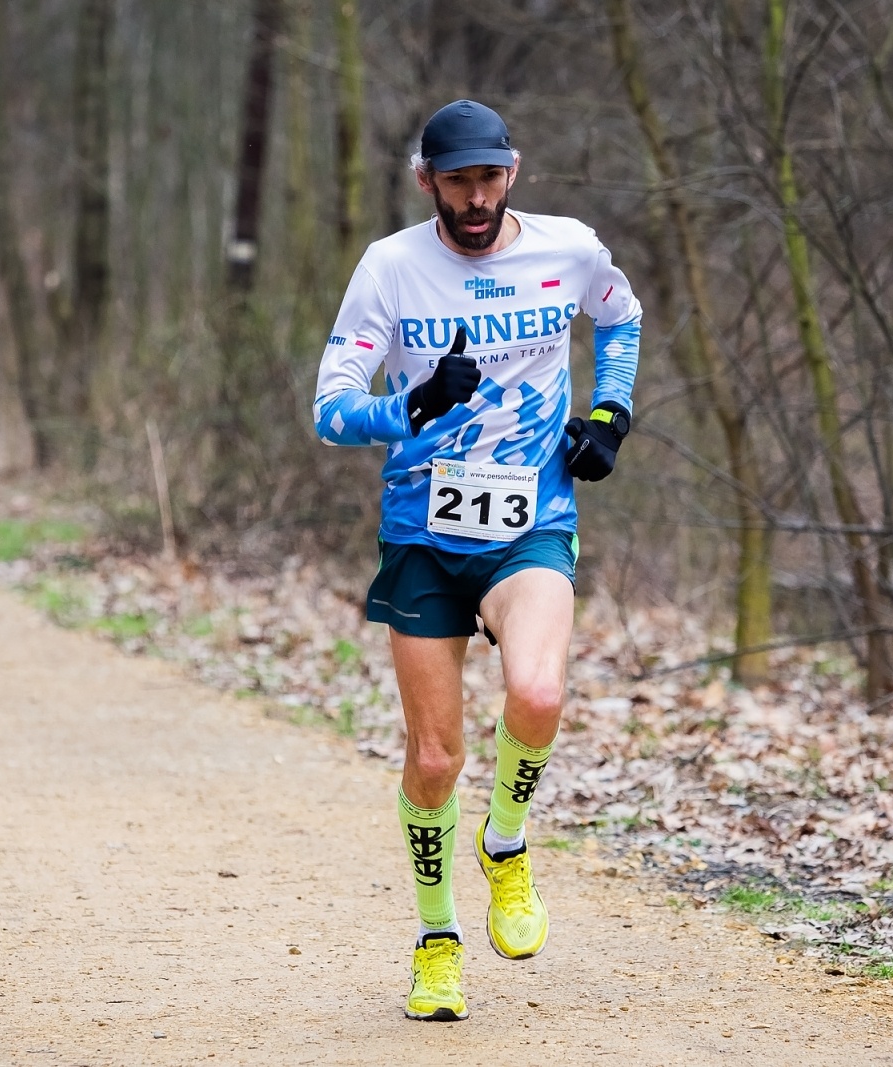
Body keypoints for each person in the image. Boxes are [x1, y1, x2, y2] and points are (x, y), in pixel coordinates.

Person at [312, 99, 641, 1021]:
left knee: (537, 694)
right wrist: (407, 409)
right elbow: (331, 407)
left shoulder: (568, 250)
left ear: (513, 173)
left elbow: (621, 320)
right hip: (422, 536)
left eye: (488, 179)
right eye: (457, 181)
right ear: (427, 181)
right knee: (434, 758)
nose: (475, 198)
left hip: (531, 518)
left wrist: (611, 415)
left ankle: (505, 844)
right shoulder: (390, 269)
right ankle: (437, 940)